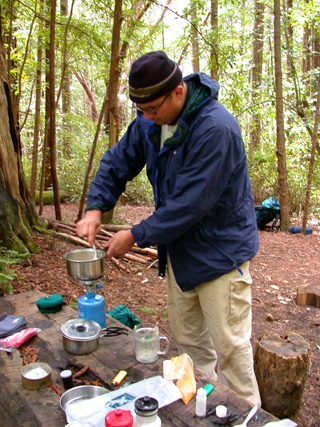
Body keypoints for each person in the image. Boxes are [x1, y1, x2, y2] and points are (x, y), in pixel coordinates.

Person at [76, 51, 261, 406]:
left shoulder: (215, 129)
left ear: (178, 92)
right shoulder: (151, 120)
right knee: (191, 346)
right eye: (141, 111)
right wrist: (96, 205)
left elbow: (189, 204)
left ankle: (246, 414)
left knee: (232, 352)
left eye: (152, 110)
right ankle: (204, 408)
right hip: (181, 255)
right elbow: (119, 159)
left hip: (222, 258)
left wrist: (135, 235)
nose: (147, 118)